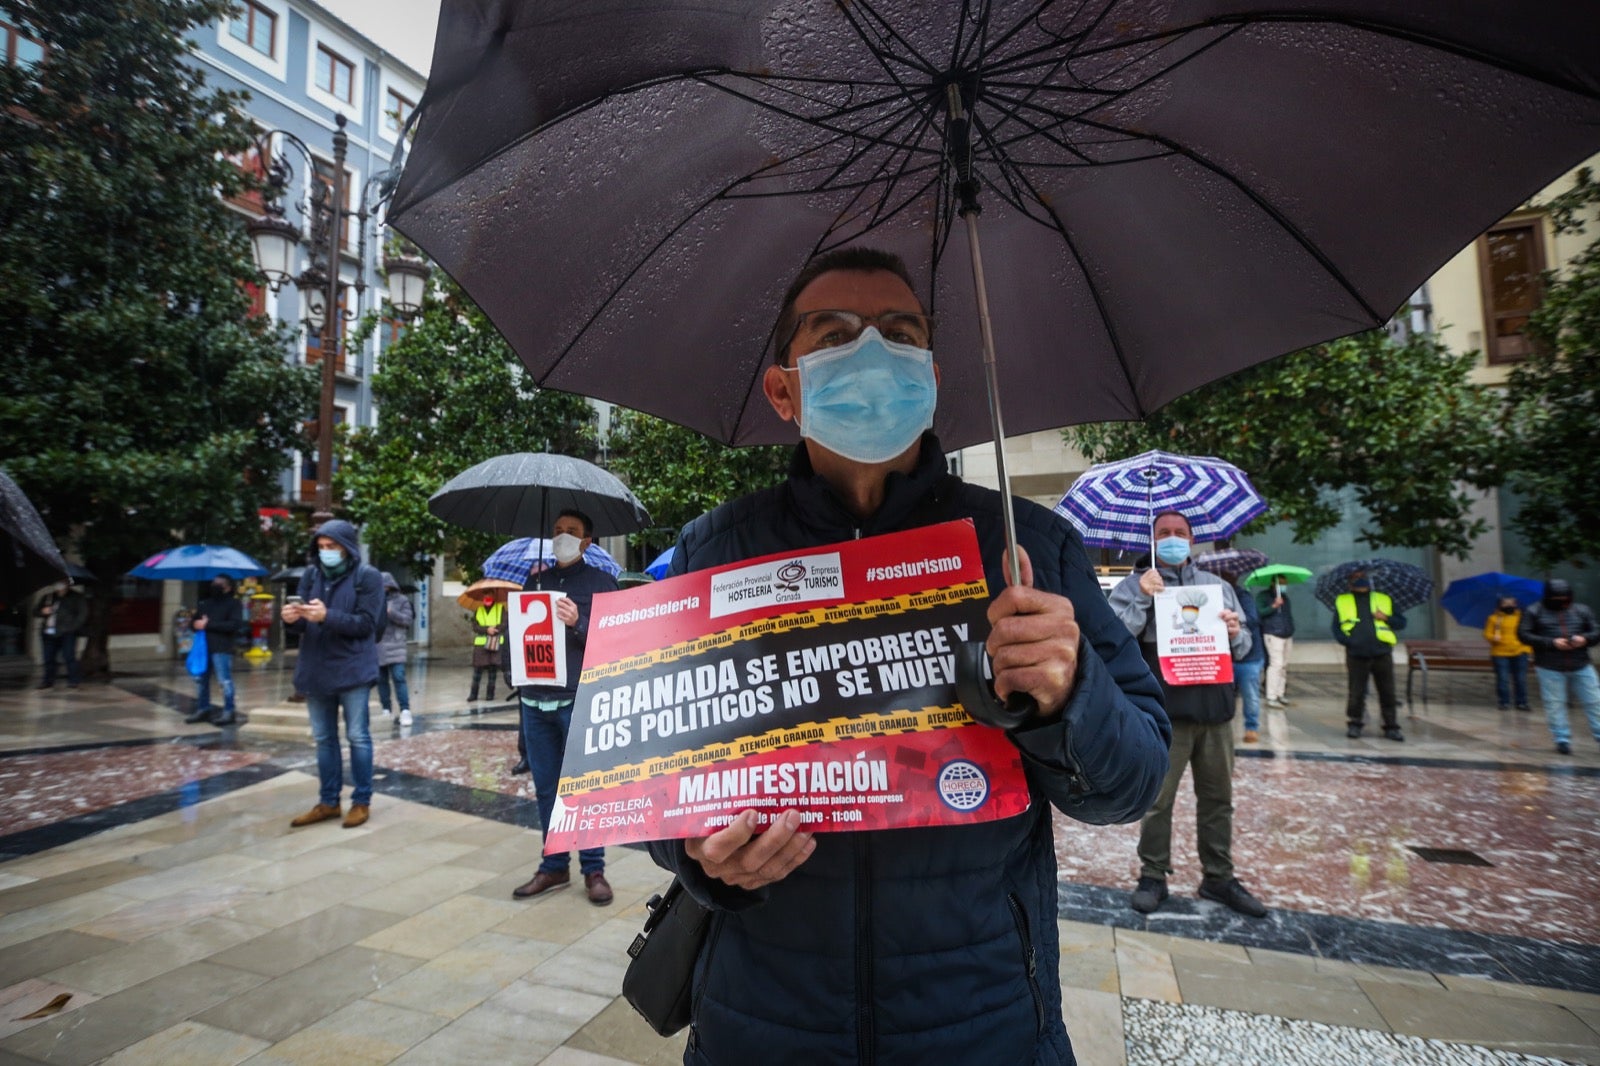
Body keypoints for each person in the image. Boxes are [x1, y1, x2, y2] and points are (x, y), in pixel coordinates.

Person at [649, 247, 1170, 1063]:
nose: (872, 354)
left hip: (984, 1019)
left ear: (931, 377)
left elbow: (1132, 784)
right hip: (762, 1022)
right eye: (834, 335)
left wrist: (1073, 697)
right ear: (784, 390)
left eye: (899, 334)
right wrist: (696, 856)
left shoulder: (1030, 548)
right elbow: (649, 771)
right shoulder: (712, 556)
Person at [1110, 511, 1266, 920]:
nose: (1173, 539)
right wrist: (1142, 595)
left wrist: (1236, 633)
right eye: (1164, 534)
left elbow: (1247, 648)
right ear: (1152, 539)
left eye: (1180, 533)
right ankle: (1153, 874)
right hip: (1164, 716)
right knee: (1157, 801)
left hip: (1215, 711)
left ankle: (1218, 875)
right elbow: (1112, 641)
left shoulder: (1217, 589)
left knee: (1218, 799)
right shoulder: (1136, 585)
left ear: (1192, 538)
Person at [512, 509, 620, 906]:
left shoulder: (602, 583)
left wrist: (579, 621)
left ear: (587, 541)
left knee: (584, 787)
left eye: (571, 532)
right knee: (546, 789)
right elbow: (521, 635)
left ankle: (594, 869)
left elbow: (615, 640)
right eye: (557, 531)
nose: (562, 537)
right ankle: (554, 864)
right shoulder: (533, 580)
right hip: (535, 699)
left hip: (578, 699)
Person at [282, 520, 385, 829]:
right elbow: (303, 625)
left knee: (357, 736)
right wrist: (292, 619)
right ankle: (328, 801)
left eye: (332, 547)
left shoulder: (368, 577)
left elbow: (367, 625)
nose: (326, 553)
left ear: (347, 547)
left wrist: (328, 616)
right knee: (324, 738)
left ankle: (361, 800)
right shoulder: (311, 575)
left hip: (353, 669)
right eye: (321, 547)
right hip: (316, 670)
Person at [1517, 579, 1600, 755]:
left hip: (1581, 663)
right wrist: (1551, 643)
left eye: (1565, 597)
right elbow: (1524, 635)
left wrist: (1584, 639)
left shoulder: (1582, 610)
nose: (1562, 602)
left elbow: (1596, 631)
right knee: (1555, 704)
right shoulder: (1534, 611)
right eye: (1557, 598)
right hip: (1549, 665)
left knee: (1594, 701)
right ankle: (1561, 738)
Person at [1333, 569, 1407, 741]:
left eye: (1362, 576)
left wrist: (1385, 617)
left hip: (1381, 652)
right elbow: (1336, 627)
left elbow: (1401, 623)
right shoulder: (1343, 600)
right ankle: (1355, 723)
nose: (1360, 580)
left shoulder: (1383, 599)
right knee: (1356, 691)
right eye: (1355, 577)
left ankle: (1391, 726)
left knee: (1387, 691)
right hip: (1356, 653)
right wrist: (1348, 641)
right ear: (1349, 582)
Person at [187, 574, 245, 725]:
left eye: (219, 583)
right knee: (201, 680)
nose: (215, 585)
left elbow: (234, 625)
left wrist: (208, 625)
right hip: (203, 648)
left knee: (224, 681)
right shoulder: (205, 603)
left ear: (228, 587)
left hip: (222, 648)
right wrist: (195, 624)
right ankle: (203, 708)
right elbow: (194, 623)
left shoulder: (234, 604)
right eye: (214, 582)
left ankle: (229, 711)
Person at [376, 572, 415, 726]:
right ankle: (386, 709)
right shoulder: (374, 600)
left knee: (399, 678)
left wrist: (391, 613)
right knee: (381, 680)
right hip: (378, 645)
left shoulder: (402, 600)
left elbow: (407, 620)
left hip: (396, 645)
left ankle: (405, 710)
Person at [1482, 596, 1532, 712]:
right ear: (1500, 605)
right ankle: (1504, 702)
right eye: (1505, 603)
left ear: (1516, 604)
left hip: (1520, 651)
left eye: (1511, 603)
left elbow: (1528, 632)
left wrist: (1528, 648)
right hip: (1500, 653)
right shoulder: (1494, 618)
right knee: (1503, 679)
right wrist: (1494, 637)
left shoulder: (1522, 617)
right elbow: (1487, 634)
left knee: (1520, 679)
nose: (1509, 605)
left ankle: (1522, 702)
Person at [1233, 574, 1266, 743]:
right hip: (1227, 657)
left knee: (1250, 694)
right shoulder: (1212, 592)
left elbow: (1253, 619)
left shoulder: (1243, 595)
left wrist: (1233, 620)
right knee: (1227, 697)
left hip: (1249, 657)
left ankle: (1251, 727)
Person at [34, 581, 86, 689]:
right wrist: (43, 611)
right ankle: (48, 681)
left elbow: (82, 615)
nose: (59, 585)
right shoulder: (48, 597)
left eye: (62, 582)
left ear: (68, 584)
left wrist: (72, 628)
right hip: (48, 632)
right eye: (58, 583)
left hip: (67, 632)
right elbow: (35, 611)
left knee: (69, 656)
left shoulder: (76, 597)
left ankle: (73, 681)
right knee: (48, 658)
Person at [1258, 576, 1296, 708]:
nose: (1284, 585)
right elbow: (1259, 612)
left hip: (1286, 634)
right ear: (1274, 583)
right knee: (1276, 664)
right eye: (1282, 583)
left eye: (1285, 583)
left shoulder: (1285, 597)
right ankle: (1271, 696)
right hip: (1273, 634)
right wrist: (1273, 606)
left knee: (1284, 665)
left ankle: (1280, 693)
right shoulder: (1263, 596)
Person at [467, 589, 503, 703]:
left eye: (489, 596)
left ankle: (490, 694)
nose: (487, 598)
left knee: (493, 670)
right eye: (485, 596)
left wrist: (495, 630)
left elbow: (504, 624)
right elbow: (475, 626)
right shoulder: (478, 610)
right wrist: (487, 629)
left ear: (493, 596)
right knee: (477, 671)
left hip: (494, 642)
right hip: (481, 644)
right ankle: (473, 694)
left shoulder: (500, 609)